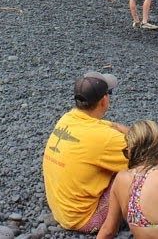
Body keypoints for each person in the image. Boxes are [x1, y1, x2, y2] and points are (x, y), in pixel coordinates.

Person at [43, 71, 129, 234]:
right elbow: (156, 160)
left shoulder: (67, 118)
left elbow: (107, 126)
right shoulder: (105, 138)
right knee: (139, 173)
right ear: (104, 100)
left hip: (62, 211)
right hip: (84, 220)